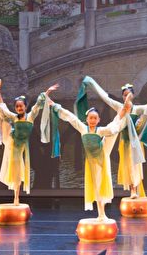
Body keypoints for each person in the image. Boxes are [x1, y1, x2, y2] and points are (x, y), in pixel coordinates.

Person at [47, 91, 133, 220]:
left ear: (98, 120)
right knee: (96, 186)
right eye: (90, 118)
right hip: (92, 161)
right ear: (87, 119)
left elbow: (113, 126)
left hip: (102, 154)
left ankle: (125, 110)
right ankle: (101, 214)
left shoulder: (100, 130)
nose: (92, 120)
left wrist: (123, 112)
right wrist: (54, 105)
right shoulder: (83, 128)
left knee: (112, 130)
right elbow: (70, 117)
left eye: (95, 118)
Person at [76, 77, 147, 199]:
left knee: (135, 166)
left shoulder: (137, 109)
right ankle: (132, 190)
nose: (126, 97)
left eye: (128, 94)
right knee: (129, 166)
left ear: (132, 95)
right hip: (125, 142)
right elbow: (106, 99)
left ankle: (135, 189)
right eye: (124, 95)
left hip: (135, 142)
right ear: (122, 96)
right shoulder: (120, 107)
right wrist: (92, 83)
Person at [0, 79, 58, 205]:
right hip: (13, 144)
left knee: (20, 172)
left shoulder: (30, 117)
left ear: (25, 107)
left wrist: (47, 92)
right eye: (17, 106)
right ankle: (16, 198)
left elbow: (37, 105)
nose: (19, 108)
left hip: (23, 146)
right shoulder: (14, 117)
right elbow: (3, 111)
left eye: (21, 106)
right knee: (16, 172)